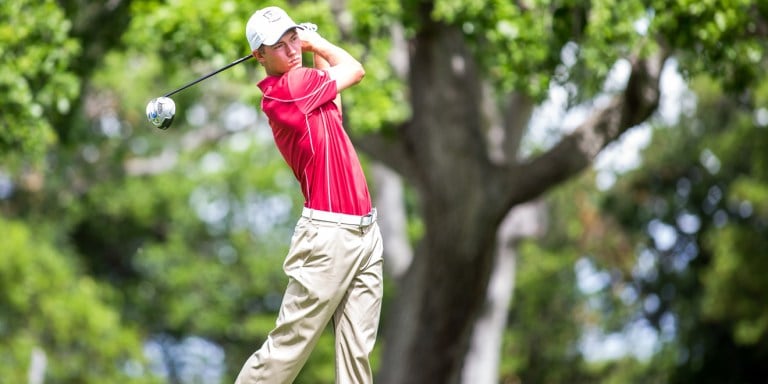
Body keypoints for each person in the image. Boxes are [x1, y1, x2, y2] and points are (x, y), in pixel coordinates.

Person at [235, 6, 384, 384]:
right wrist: (316, 41)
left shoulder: (306, 88)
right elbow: (354, 70)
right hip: (329, 239)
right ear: (259, 56)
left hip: (366, 232)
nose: (291, 49)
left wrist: (312, 49)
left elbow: (333, 106)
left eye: (292, 39)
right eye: (279, 46)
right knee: (288, 348)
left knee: (357, 356)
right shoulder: (289, 89)